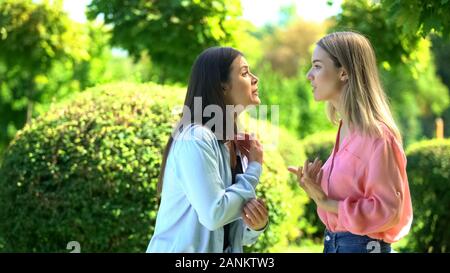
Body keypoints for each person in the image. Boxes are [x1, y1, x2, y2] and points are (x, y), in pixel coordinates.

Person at [288, 31, 413, 253]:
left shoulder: (378, 136)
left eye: (317, 66)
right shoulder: (344, 129)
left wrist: (326, 202)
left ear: (343, 72)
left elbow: (388, 210)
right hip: (334, 244)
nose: (309, 75)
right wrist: (318, 187)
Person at [147, 47, 268, 253]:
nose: (255, 79)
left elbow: (233, 230)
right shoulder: (196, 139)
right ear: (222, 87)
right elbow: (214, 215)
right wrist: (254, 168)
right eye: (245, 73)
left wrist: (257, 224)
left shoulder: (234, 144)